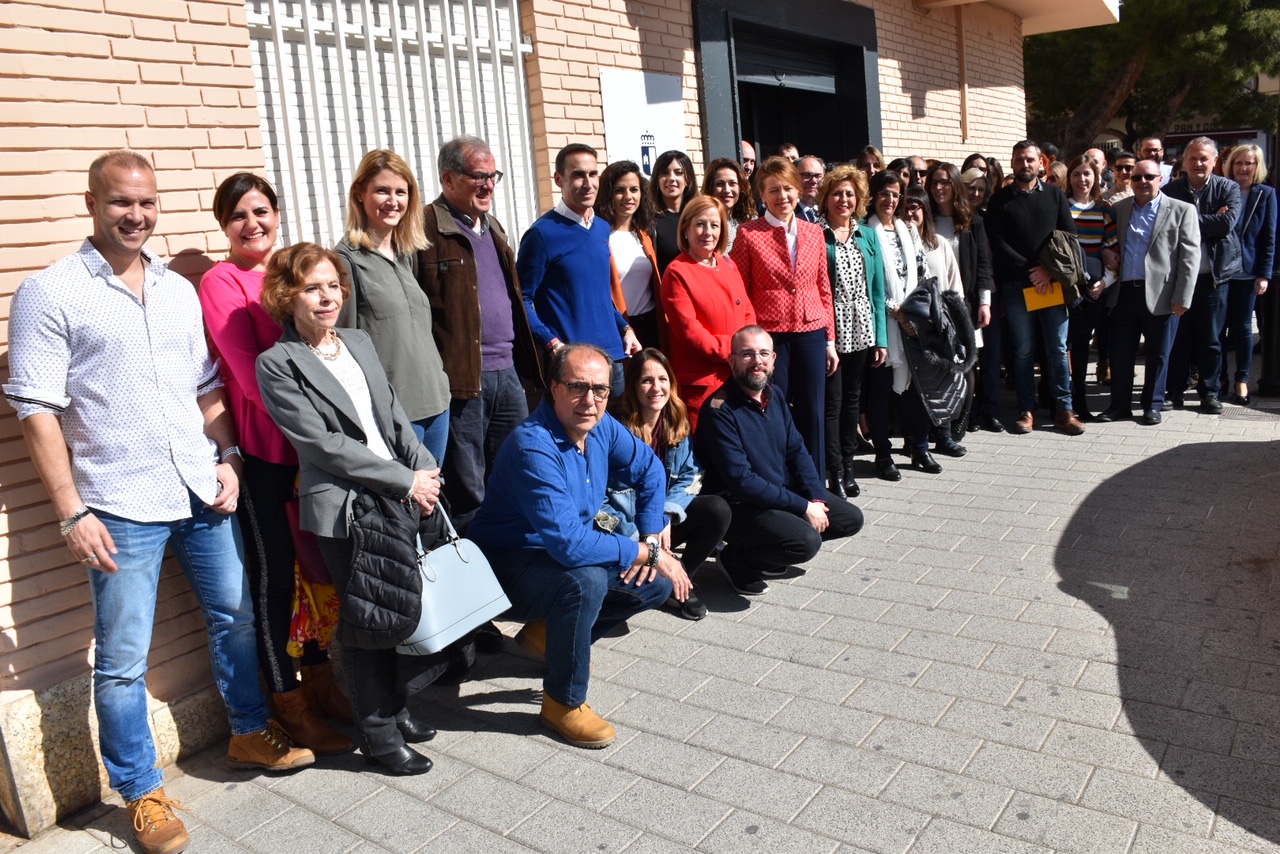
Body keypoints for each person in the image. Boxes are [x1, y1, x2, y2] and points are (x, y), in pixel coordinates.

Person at [4, 151, 313, 854]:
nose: (136, 216)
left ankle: (245, 732)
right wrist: (70, 511)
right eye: (121, 204)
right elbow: (36, 411)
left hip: (201, 486)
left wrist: (230, 455)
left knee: (235, 618)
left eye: (146, 204)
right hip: (117, 504)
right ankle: (141, 792)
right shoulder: (49, 294)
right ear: (92, 202)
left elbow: (206, 385)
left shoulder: (177, 289)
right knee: (121, 660)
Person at [256, 243, 447, 777]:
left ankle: (397, 708)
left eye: (333, 286)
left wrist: (424, 469)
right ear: (286, 296)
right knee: (366, 622)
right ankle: (380, 737)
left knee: (397, 609)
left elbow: (393, 414)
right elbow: (323, 447)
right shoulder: (277, 364)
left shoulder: (358, 341)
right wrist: (405, 480)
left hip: (404, 490)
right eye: (312, 288)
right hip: (348, 509)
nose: (326, 297)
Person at [469, 344, 692, 748]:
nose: (590, 401)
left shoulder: (600, 426)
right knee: (585, 579)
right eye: (577, 387)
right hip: (507, 569)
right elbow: (570, 545)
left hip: (557, 557)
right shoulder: (533, 446)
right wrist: (650, 554)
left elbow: (651, 470)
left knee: (653, 586)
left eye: (600, 390)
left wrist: (650, 533)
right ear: (553, 388)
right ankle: (563, 701)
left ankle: (547, 635)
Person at [199, 172, 352, 756]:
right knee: (275, 578)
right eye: (238, 215)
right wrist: (310, 425)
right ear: (223, 225)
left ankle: (321, 683)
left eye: (261, 210)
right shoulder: (220, 282)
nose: (251, 223)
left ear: (278, 212)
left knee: (315, 575)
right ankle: (288, 705)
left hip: (312, 451)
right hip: (269, 451)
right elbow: (247, 369)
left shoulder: (291, 271)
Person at [416, 135, 544, 532]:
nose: (488, 185)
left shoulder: (493, 226)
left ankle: (512, 558)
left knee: (515, 470)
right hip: (463, 380)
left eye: (493, 176)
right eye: (478, 176)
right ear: (448, 179)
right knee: (468, 484)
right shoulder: (424, 229)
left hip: (507, 373)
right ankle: (478, 573)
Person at [697, 326, 864, 596]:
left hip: (777, 493)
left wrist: (816, 498)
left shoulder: (773, 396)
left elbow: (797, 452)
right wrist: (802, 507)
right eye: (747, 354)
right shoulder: (719, 410)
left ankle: (765, 551)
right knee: (806, 542)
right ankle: (735, 559)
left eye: (764, 353)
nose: (757, 361)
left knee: (850, 519)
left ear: (774, 359)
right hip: (740, 506)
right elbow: (743, 482)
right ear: (732, 360)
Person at [336, 149, 451, 464]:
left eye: (401, 192)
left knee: (432, 502)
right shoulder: (346, 260)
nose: (393, 200)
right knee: (404, 508)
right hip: (393, 413)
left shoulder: (406, 254)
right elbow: (340, 344)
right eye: (382, 190)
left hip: (437, 402)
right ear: (360, 194)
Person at [603, 349, 732, 620]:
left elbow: (691, 475)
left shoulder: (675, 421)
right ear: (633, 386)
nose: (656, 387)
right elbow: (599, 500)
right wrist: (644, 543)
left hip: (663, 525)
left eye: (662, 379)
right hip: (625, 529)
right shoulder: (613, 431)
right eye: (646, 380)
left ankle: (680, 578)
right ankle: (666, 577)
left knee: (716, 509)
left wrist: (666, 513)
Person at [730, 155, 838, 481]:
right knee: (771, 413)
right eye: (773, 190)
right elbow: (739, 290)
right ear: (762, 195)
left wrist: (829, 340)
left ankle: (816, 487)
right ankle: (778, 484)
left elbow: (823, 288)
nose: (783, 197)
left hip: (811, 332)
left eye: (788, 188)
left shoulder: (814, 232)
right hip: (769, 337)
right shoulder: (749, 234)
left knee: (813, 413)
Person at [516, 143, 642, 396]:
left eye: (593, 174)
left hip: (613, 360)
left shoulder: (602, 228)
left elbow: (600, 296)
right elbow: (521, 299)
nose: (588, 183)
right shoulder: (542, 234)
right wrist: (551, 343)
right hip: (573, 367)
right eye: (578, 175)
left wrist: (626, 329)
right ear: (558, 179)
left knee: (612, 434)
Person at [984, 140, 1084, 435]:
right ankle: (1026, 410)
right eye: (1019, 160)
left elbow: (1069, 234)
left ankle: (1065, 410)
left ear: (1041, 162)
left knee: (1056, 348)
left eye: (1030, 159)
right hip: (1017, 287)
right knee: (1023, 351)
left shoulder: (1055, 196)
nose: (1024, 164)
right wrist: (1032, 271)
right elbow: (998, 245)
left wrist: (1048, 271)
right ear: (1012, 163)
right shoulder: (999, 201)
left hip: (1051, 285)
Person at [1096, 159, 1200, 425]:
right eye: (1137, 177)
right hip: (1124, 293)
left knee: (1159, 353)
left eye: (1148, 177)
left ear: (1160, 179)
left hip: (1163, 294)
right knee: (1121, 353)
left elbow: (1190, 258)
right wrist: (1106, 251)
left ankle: (1152, 405)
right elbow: (1104, 241)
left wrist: (1182, 297)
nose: (1142, 182)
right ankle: (1119, 405)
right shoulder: (1118, 209)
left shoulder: (1181, 210)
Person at [862, 170, 940, 479]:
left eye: (896, 194)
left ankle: (919, 447)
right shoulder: (865, 232)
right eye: (884, 193)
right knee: (881, 392)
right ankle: (883, 455)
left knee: (918, 389)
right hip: (883, 323)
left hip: (913, 324)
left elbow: (922, 277)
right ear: (873, 195)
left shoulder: (909, 231)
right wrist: (897, 312)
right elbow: (867, 284)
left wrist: (915, 315)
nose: (890, 200)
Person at [818, 164, 887, 499]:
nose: (843, 199)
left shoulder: (868, 234)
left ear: (858, 198)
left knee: (852, 402)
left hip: (862, 331)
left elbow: (877, 289)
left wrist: (881, 338)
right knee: (833, 403)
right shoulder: (816, 234)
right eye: (836, 193)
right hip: (831, 334)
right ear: (826, 198)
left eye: (849, 193)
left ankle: (848, 467)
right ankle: (833, 472)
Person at [661, 195, 756, 431]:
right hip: (703, 383)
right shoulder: (677, 271)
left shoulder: (727, 264)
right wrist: (735, 350)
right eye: (700, 224)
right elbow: (689, 332)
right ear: (685, 229)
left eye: (714, 225)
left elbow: (746, 310)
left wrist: (749, 348)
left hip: (738, 375)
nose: (707, 232)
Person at [1164, 137, 1243, 413]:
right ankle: (1174, 391)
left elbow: (1226, 224)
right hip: (1180, 279)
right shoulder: (1170, 191)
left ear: (1214, 160)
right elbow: (1165, 228)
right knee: (1179, 337)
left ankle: (1210, 392)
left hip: (1213, 277)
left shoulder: (1228, 188)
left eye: (1204, 158)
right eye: (1193, 158)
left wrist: (1186, 219)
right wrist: (1207, 219)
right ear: (1184, 162)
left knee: (1211, 338)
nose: (1198, 163)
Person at [926, 162, 995, 438]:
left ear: (955, 185)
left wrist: (985, 301)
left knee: (966, 366)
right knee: (938, 366)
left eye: (944, 182)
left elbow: (982, 266)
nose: (939, 188)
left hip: (963, 305)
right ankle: (938, 423)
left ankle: (962, 421)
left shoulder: (973, 222)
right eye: (934, 183)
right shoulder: (924, 219)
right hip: (932, 307)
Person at [1063, 154, 1119, 421]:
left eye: (1087, 174)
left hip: (1096, 289)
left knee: (1085, 348)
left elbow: (1112, 249)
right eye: (1076, 174)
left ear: (1095, 177)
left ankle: (1082, 403)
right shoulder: (1061, 207)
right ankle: (1067, 401)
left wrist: (1104, 282)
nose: (1082, 179)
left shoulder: (1104, 208)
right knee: (1067, 347)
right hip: (1067, 289)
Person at [1220, 143, 1276, 404]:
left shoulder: (1265, 194)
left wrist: (1264, 274)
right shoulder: (1220, 190)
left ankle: (1241, 380)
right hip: (1220, 271)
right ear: (1230, 166)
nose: (1243, 168)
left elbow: (1269, 237)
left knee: (1242, 328)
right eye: (1238, 163)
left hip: (1248, 273)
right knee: (1217, 329)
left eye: (1249, 163)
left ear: (1257, 167)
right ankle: (1217, 381)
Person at [597, 159, 663, 348]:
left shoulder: (644, 235)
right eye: (620, 190)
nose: (628, 196)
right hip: (617, 326)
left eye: (634, 189)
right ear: (608, 195)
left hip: (649, 324)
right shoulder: (601, 237)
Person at [650, 149, 698, 275]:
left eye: (679, 173)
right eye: (665, 173)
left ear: (688, 179)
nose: (671, 178)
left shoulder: (698, 216)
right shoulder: (649, 221)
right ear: (657, 179)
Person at [702, 156, 756, 252]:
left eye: (732, 183)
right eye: (720, 184)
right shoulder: (702, 224)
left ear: (741, 187)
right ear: (710, 188)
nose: (727, 190)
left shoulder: (752, 222)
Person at [796, 155, 826, 222]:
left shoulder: (829, 212)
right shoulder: (787, 214)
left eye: (818, 176)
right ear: (794, 177)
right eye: (807, 175)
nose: (813, 181)